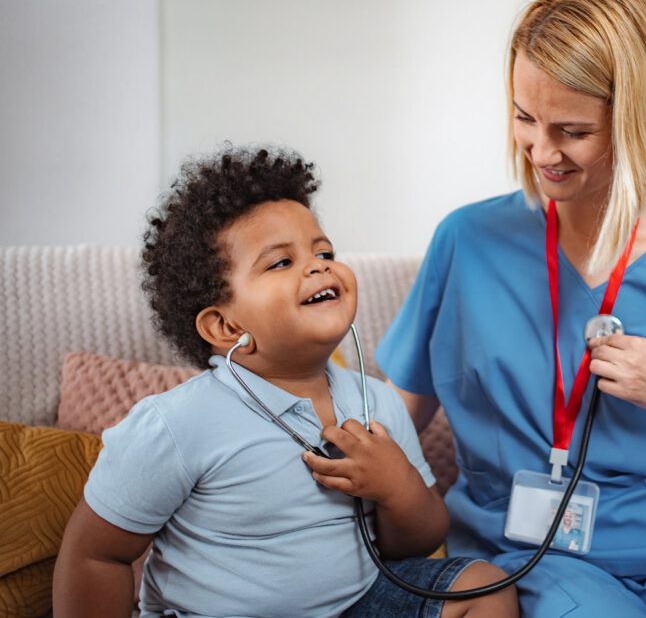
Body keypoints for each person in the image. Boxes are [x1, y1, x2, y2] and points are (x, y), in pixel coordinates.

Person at [310, 0, 646, 616]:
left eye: (571, 130)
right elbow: (398, 412)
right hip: (530, 553)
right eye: (524, 117)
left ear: (635, 119)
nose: (541, 150)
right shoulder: (468, 241)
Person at [52, 147, 517, 618]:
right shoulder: (177, 424)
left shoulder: (377, 402)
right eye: (280, 263)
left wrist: (397, 489)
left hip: (358, 604)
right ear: (225, 328)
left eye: (324, 252)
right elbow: (96, 554)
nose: (318, 266)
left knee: (486, 589)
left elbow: (415, 544)